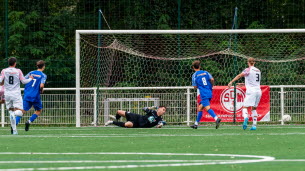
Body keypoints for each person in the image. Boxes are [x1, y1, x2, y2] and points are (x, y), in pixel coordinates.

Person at [0, 57, 34, 135]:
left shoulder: (4, 71)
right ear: (15, 63)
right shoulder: (18, 71)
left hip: (7, 94)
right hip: (16, 94)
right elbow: (24, 81)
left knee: (11, 111)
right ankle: (14, 115)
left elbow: (0, 80)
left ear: (8, 63)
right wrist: (30, 79)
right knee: (20, 112)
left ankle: (14, 131)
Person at [228, 57, 261, 130]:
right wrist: (244, 84)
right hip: (258, 91)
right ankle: (254, 125)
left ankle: (246, 118)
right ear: (254, 62)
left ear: (248, 62)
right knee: (254, 108)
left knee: (245, 107)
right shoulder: (258, 70)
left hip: (251, 91)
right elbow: (253, 81)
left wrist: (231, 82)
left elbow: (239, 75)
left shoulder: (248, 69)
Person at [15, 60, 47, 131]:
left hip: (27, 94)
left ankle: (14, 124)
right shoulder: (43, 75)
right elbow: (41, 85)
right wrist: (41, 90)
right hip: (35, 96)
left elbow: (23, 80)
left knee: (22, 110)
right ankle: (29, 121)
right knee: (38, 110)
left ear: (37, 66)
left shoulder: (31, 73)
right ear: (43, 67)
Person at [190, 60, 221, 129]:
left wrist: (200, 85)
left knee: (207, 108)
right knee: (200, 108)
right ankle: (196, 124)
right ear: (200, 66)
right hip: (209, 91)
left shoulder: (194, 75)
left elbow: (195, 86)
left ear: (193, 67)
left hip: (203, 93)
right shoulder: (206, 72)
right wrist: (211, 86)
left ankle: (216, 118)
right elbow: (212, 79)